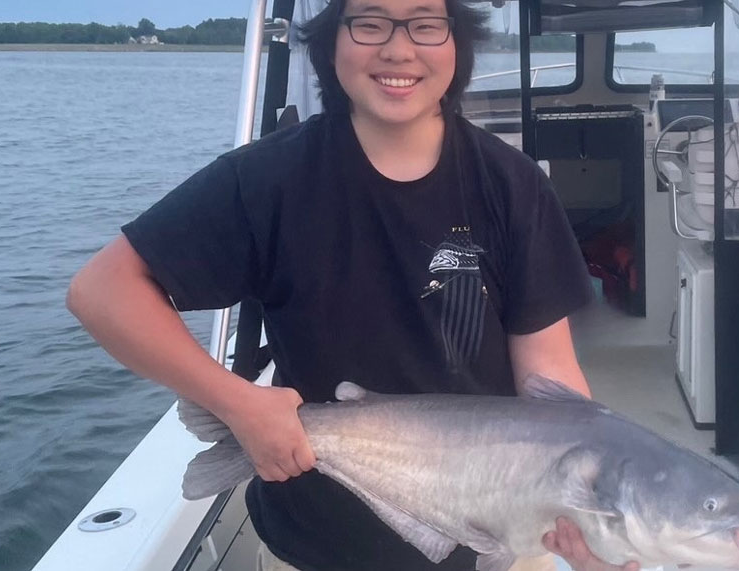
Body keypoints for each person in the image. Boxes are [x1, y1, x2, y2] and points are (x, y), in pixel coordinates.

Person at [66, 0, 640, 570]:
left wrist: (588, 529)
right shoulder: (268, 179)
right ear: (330, 42)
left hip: (496, 539)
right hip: (316, 542)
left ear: (456, 42)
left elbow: (549, 374)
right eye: (369, 22)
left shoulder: (511, 184)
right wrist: (237, 404)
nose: (398, 48)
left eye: (425, 23)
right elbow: (103, 290)